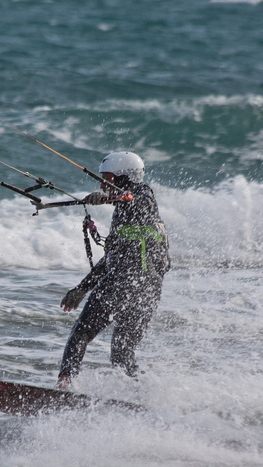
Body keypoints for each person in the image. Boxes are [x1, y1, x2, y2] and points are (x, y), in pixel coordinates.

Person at [57, 152, 170, 389]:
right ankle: (143, 394)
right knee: (121, 354)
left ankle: (64, 385)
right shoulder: (132, 213)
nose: (101, 183)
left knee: (81, 334)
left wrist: (109, 198)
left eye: (106, 177)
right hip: (148, 290)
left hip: (125, 281)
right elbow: (112, 258)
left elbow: (133, 197)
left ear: (121, 176)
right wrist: (81, 289)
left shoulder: (141, 196)